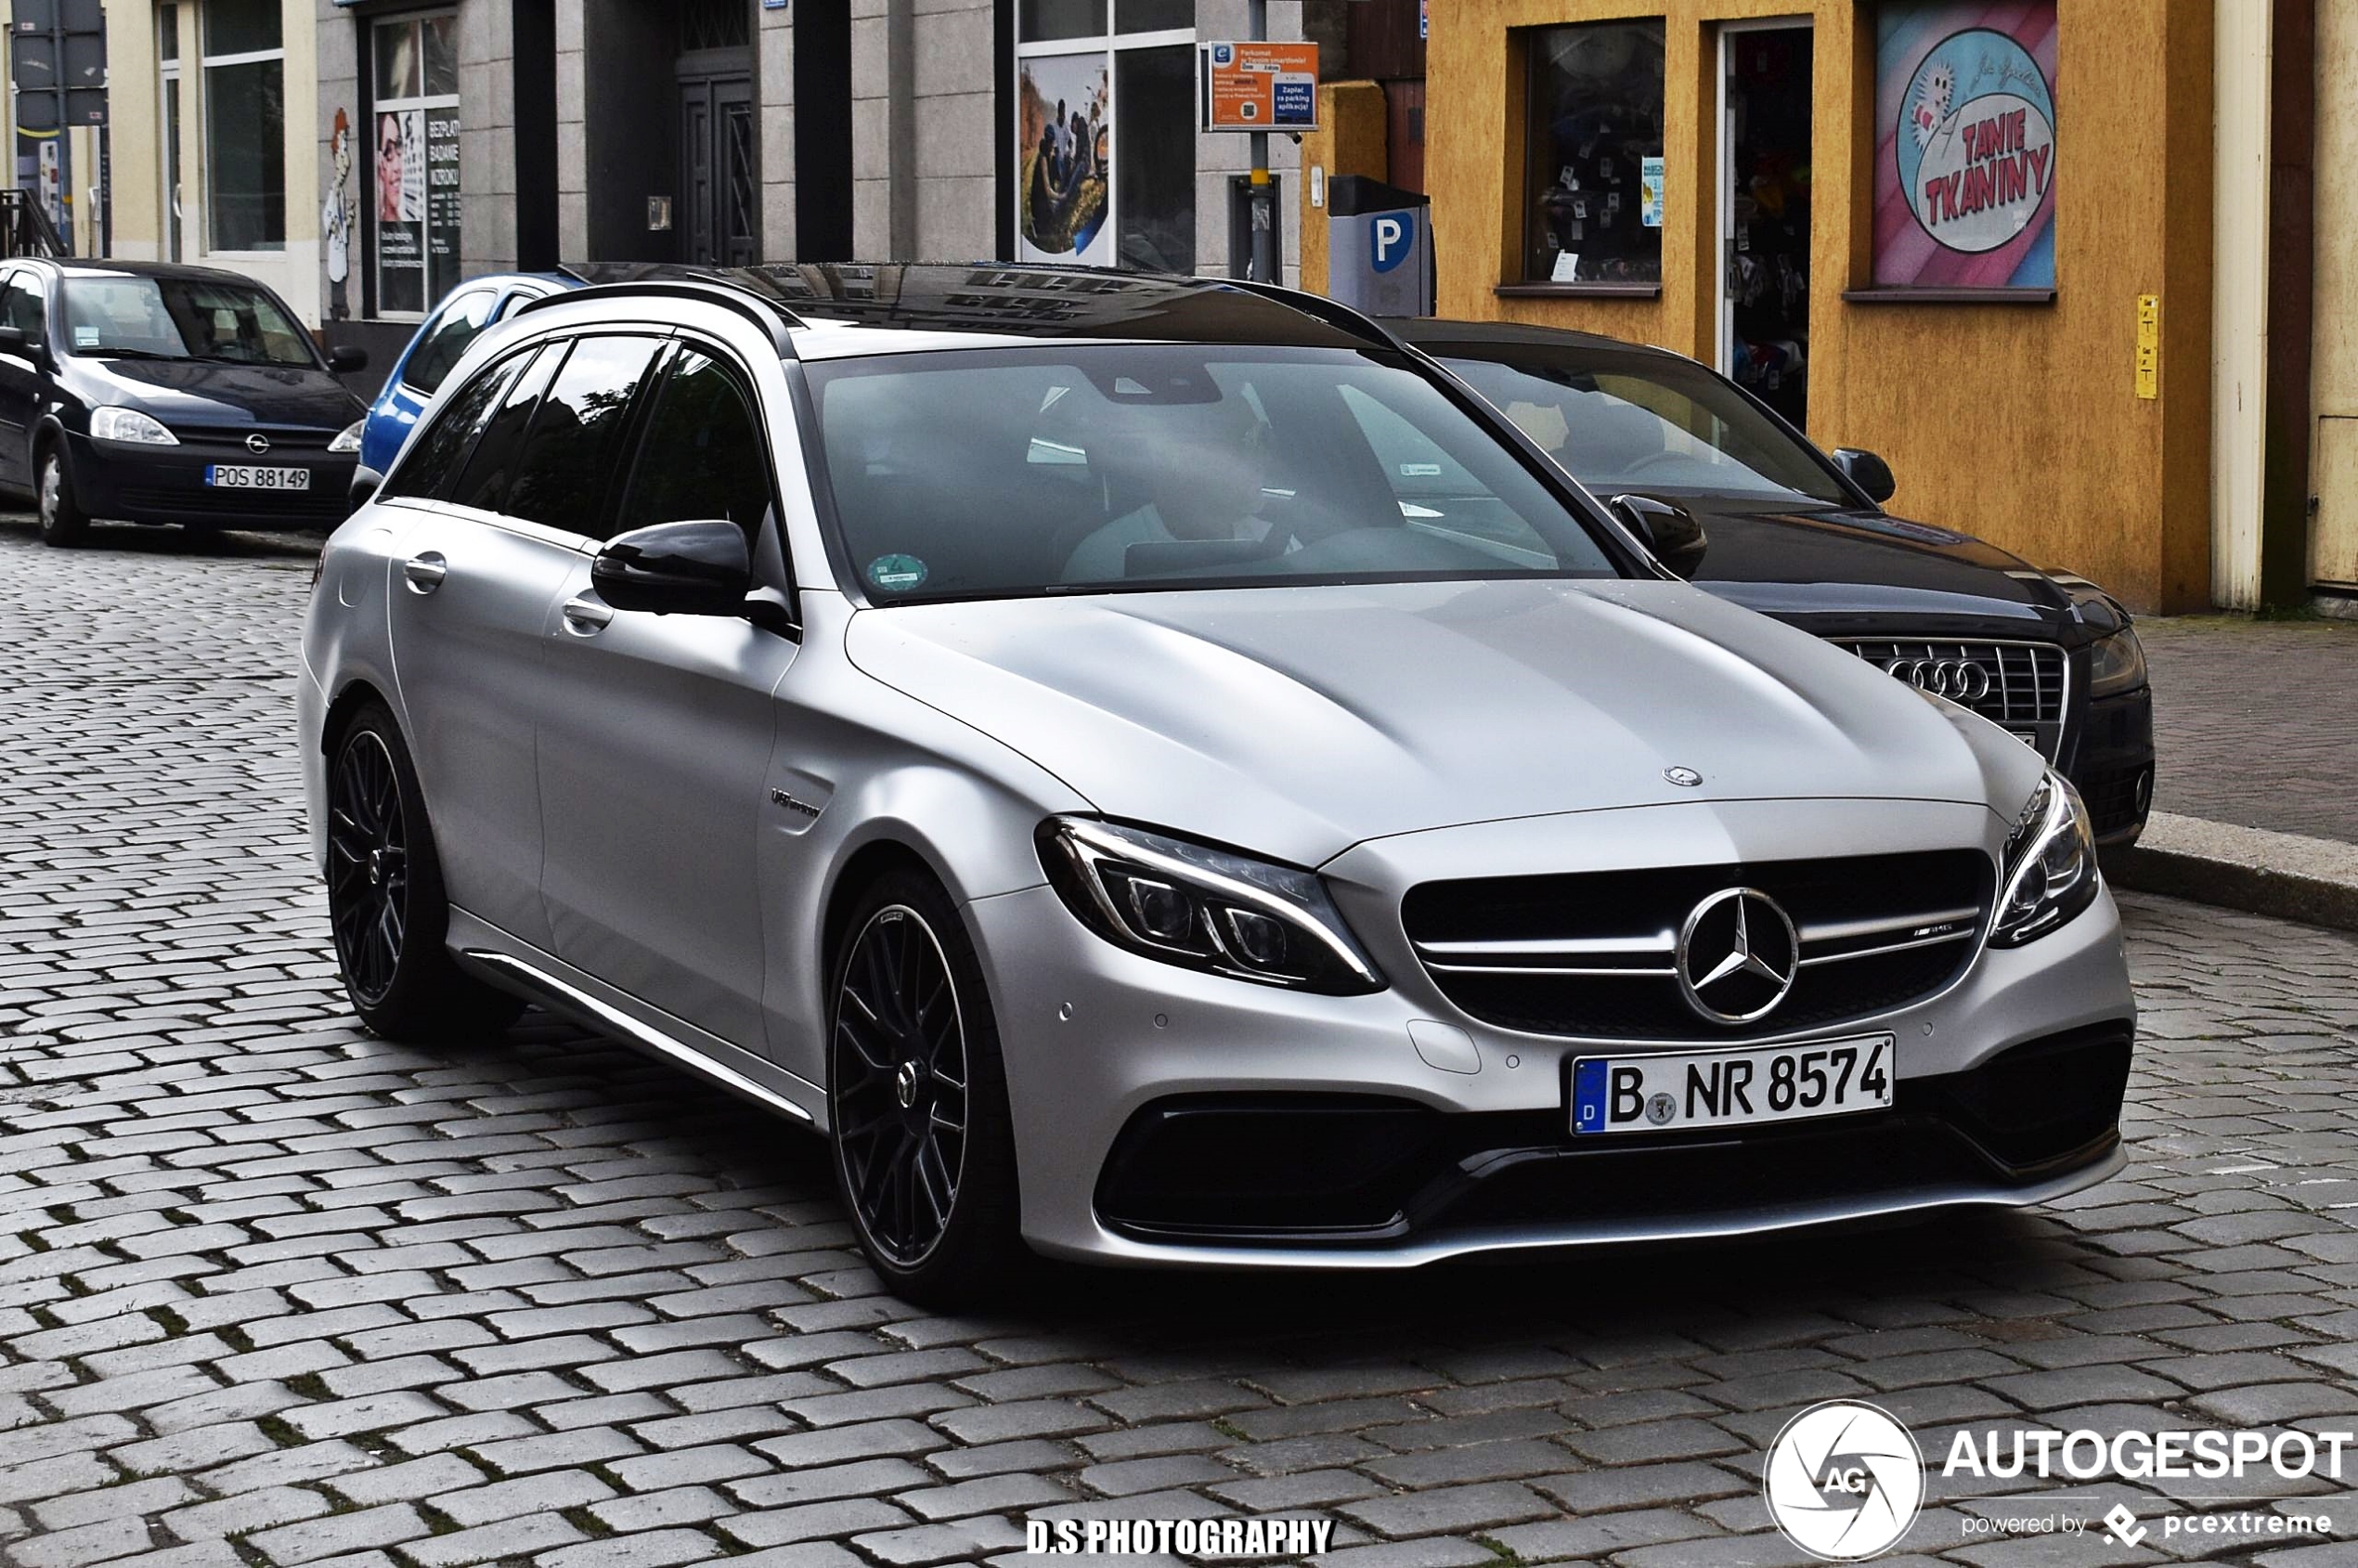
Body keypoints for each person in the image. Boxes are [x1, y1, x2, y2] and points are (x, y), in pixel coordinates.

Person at [1061, 393, 1280, 582]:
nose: (1265, 460)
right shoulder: (1105, 559)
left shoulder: (1276, 546)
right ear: (1187, 460)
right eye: (1248, 441)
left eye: (1264, 439)